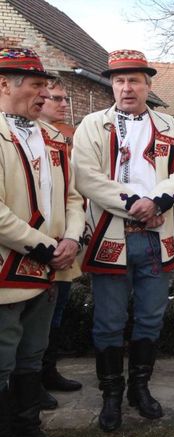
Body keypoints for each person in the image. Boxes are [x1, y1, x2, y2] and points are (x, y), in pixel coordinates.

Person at [73, 50, 174, 432]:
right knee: (109, 321)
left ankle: (138, 389)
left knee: (150, 318)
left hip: (157, 239)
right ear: (112, 84)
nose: (127, 87)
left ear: (148, 83)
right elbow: (86, 176)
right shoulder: (94, 125)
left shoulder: (170, 126)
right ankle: (111, 395)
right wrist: (133, 203)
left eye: (134, 80)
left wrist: (159, 200)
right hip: (112, 236)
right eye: (120, 80)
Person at [0, 47, 84, 437]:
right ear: (4, 85)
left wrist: (72, 238)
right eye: (35, 85)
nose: (43, 93)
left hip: (51, 266)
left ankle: (29, 432)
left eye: (44, 86)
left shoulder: (53, 137)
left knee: (33, 353)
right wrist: (46, 246)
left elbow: (72, 196)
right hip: (7, 269)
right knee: (2, 358)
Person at [37, 77, 82, 410]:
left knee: (58, 310)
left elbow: (72, 191)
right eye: (57, 98)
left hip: (64, 241)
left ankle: (48, 371)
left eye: (64, 98)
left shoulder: (62, 139)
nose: (63, 104)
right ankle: (29, 381)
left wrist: (74, 234)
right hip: (33, 245)